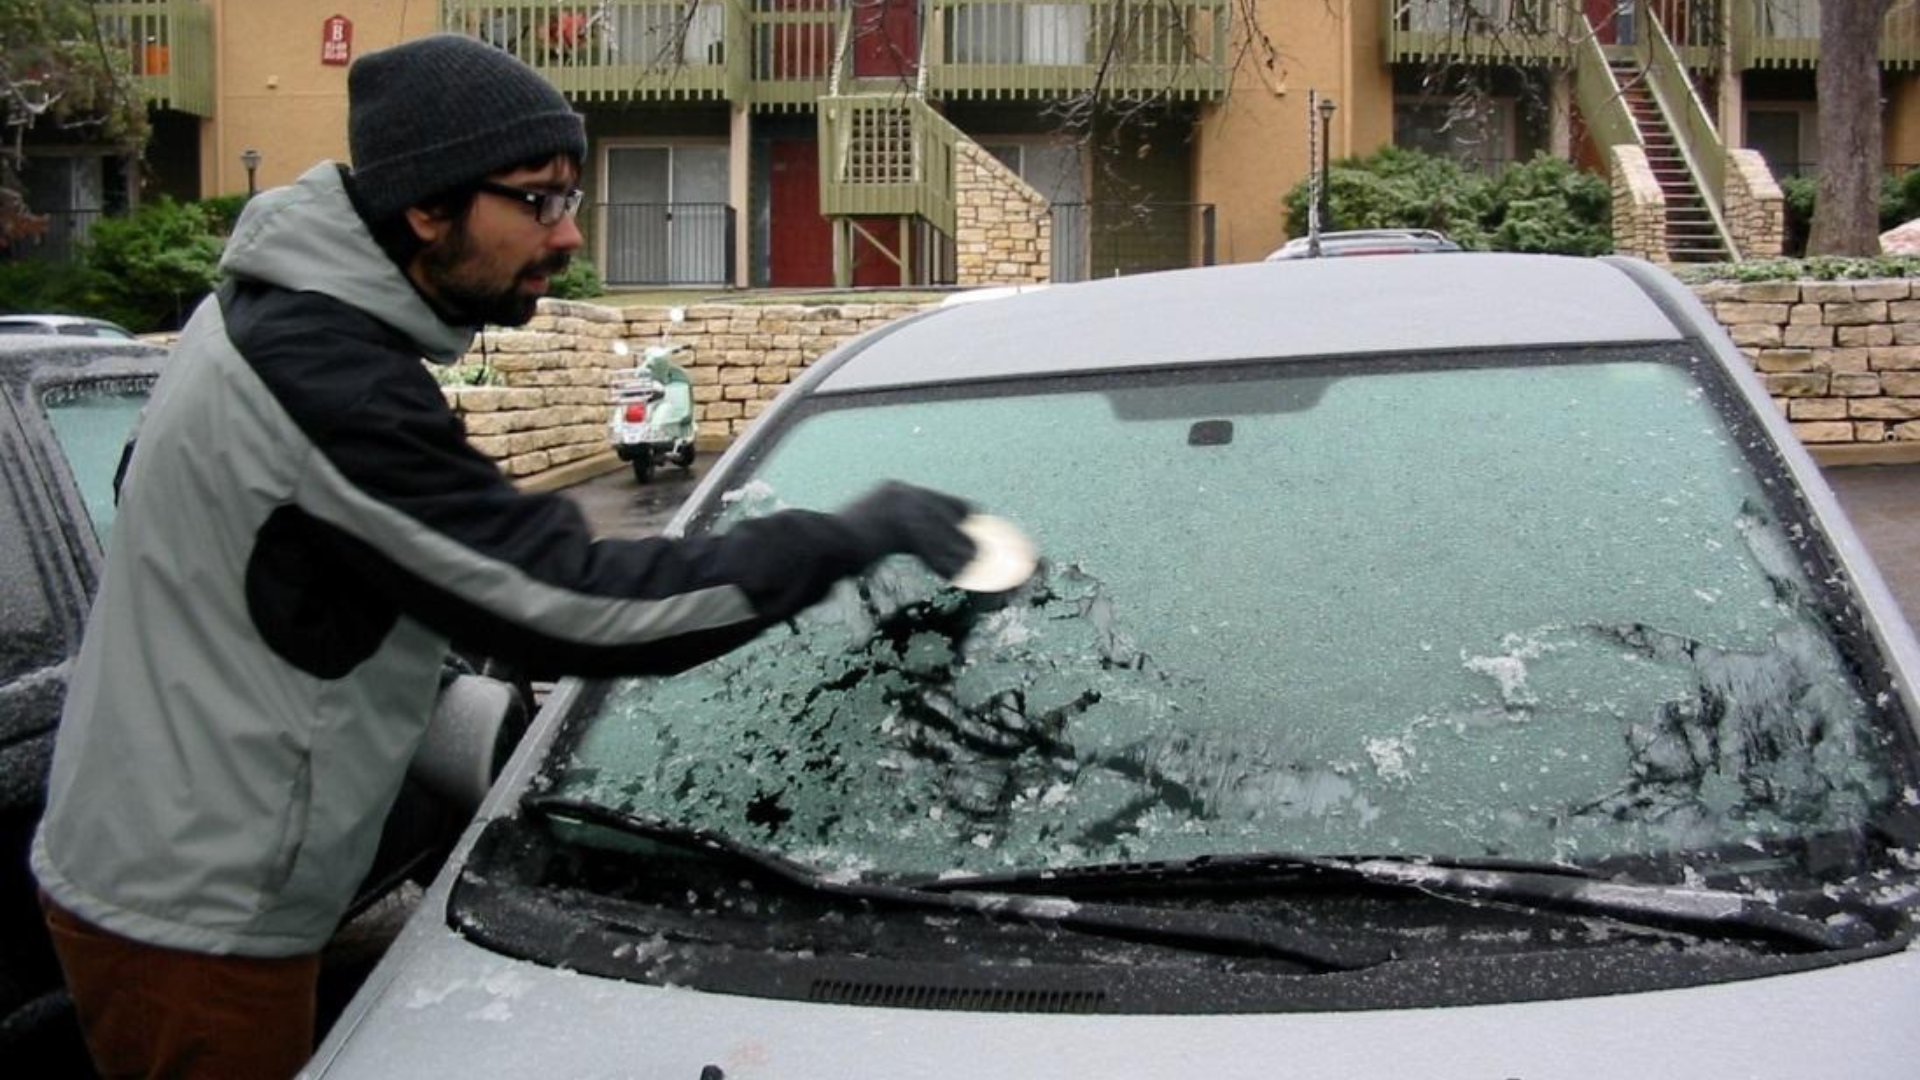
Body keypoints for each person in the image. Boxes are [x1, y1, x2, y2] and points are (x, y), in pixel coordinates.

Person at [30, 34, 974, 1080]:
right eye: (537, 200)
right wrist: (843, 536)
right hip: (192, 922)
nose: (568, 233)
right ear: (427, 208)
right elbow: (577, 608)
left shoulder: (268, 314)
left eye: (570, 197)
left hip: (155, 859)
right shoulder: (327, 376)